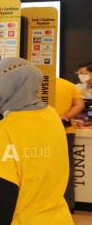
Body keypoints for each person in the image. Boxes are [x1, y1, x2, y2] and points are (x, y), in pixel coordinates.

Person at [0, 58, 73, 225]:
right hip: (58, 217)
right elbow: (27, 133)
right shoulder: (52, 115)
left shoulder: (3, 130)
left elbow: (7, 188)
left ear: (3, 87)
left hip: (22, 219)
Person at [55, 77, 85, 212]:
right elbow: (80, 105)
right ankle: (67, 204)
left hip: (42, 131)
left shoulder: (36, 84)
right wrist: (65, 116)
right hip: (66, 132)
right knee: (68, 168)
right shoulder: (69, 85)